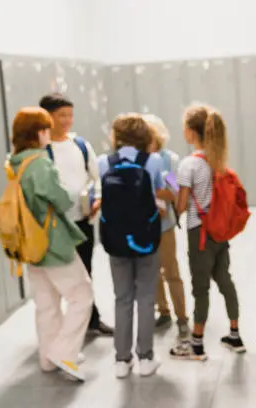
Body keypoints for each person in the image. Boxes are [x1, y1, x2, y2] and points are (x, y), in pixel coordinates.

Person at [8, 107, 94, 382]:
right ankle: (65, 352)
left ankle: (48, 358)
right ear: (39, 132)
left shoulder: (15, 162)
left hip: (28, 242)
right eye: (46, 128)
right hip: (52, 241)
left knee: (46, 303)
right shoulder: (40, 163)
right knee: (82, 294)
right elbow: (61, 199)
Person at [98, 113, 174, 379]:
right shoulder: (153, 161)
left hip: (115, 239)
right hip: (146, 238)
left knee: (122, 298)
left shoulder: (103, 162)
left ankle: (121, 360)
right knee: (145, 297)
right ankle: (145, 358)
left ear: (116, 136)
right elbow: (167, 187)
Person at [170, 104, 245, 361]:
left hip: (199, 232)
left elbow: (181, 206)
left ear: (191, 132)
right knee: (225, 280)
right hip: (220, 232)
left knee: (200, 289)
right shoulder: (218, 162)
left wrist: (170, 195)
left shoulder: (188, 165)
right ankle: (235, 335)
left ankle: (197, 344)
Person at [39, 93, 114, 337]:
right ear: (47, 116)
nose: (67, 120)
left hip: (82, 221)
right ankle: (63, 328)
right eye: (62, 115)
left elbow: (96, 177)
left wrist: (99, 197)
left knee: (86, 273)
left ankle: (91, 320)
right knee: (58, 280)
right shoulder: (41, 150)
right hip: (55, 226)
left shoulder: (80, 145)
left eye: (70, 115)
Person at [143, 114, 190, 340]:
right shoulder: (138, 159)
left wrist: (150, 192)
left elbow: (174, 192)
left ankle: (182, 318)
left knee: (171, 271)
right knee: (152, 272)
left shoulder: (168, 159)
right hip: (143, 224)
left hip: (165, 225)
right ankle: (163, 312)